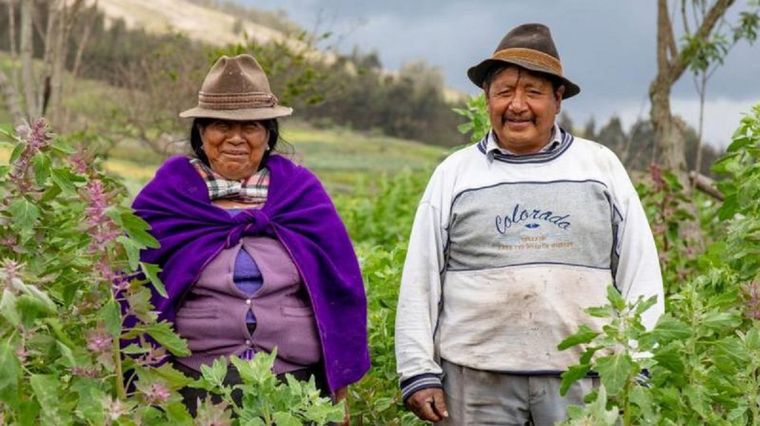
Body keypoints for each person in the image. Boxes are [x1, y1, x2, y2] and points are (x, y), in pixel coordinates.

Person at [394, 23, 664, 425]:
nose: (517, 105)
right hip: (475, 380)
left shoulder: (599, 167)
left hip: (583, 378)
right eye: (504, 91)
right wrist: (418, 370)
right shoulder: (456, 174)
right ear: (487, 98)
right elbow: (421, 276)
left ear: (558, 99)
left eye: (533, 92)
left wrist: (639, 362)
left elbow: (639, 270)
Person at [132, 54, 369, 417]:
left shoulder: (300, 194)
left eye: (252, 126)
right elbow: (132, 286)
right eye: (221, 125)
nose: (236, 139)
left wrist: (339, 391)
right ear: (200, 132)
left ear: (269, 134)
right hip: (196, 387)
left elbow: (338, 285)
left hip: (295, 389)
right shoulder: (170, 194)